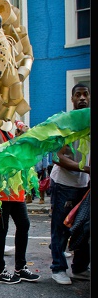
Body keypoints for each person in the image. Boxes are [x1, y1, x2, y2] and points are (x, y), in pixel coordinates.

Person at [0, 122, 40, 284]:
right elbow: (6, 151)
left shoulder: (9, 133)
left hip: (16, 192)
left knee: (24, 225)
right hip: (2, 193)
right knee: (2, 231)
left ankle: (20, 268)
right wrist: (23, 137)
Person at [49, 83, 90, 285]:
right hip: (63, 185)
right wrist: (84, 168)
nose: (82, 98)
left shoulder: (89, 123)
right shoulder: (66, 124)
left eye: (85, 94)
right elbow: (58, 157)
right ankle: (58, 268)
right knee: (60, 227)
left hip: (85, 185)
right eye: (78, 95)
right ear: (72, 99)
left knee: (83, 227)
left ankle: (80, 268)